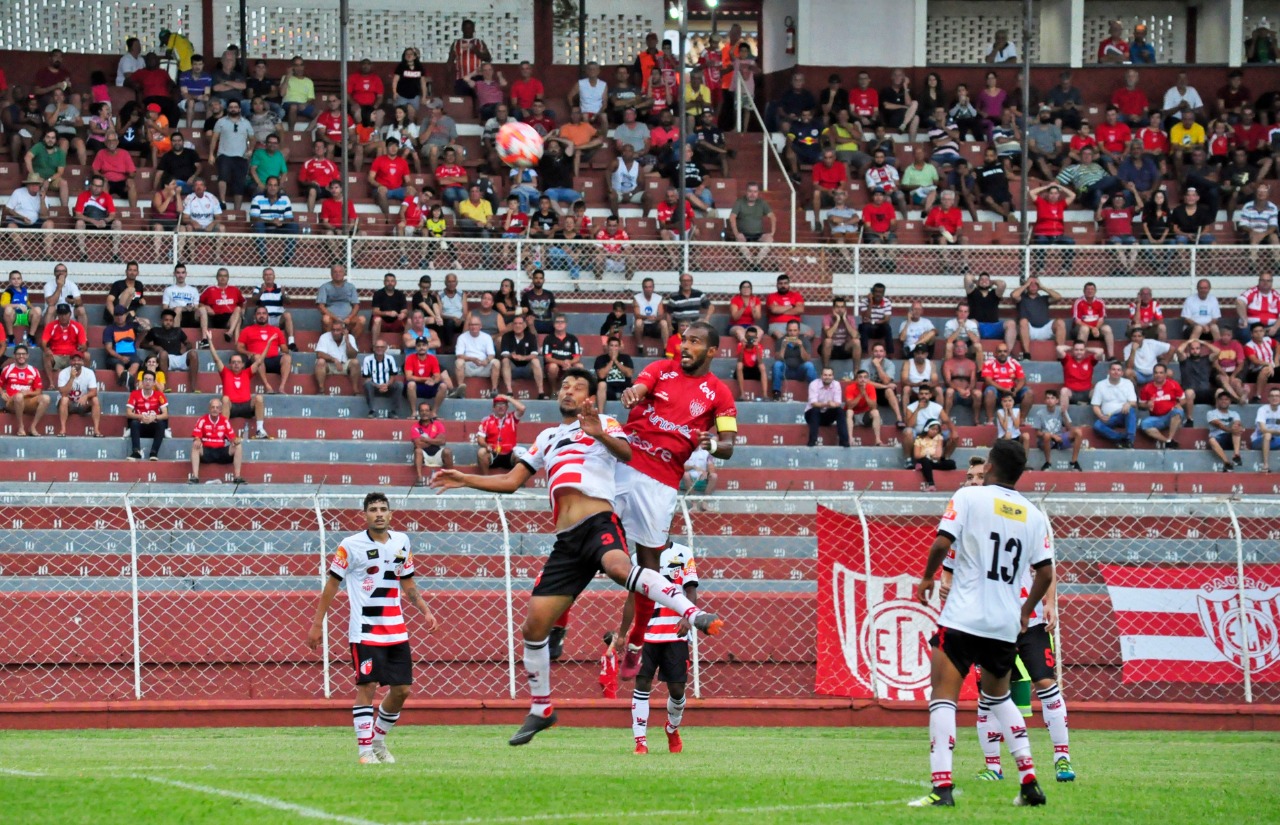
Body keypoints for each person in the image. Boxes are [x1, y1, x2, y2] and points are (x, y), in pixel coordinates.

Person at [433, 366, 723, 745]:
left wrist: (599, 432)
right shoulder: (548, 437)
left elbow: (627, 451)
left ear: (591, 396)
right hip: (566, 541)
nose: (568, 391)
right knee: (533, 627)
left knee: (622, 569)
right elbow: (511, 481)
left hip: (599, 522)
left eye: (577, 386)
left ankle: (692, 612)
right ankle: (541, 709)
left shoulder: (605, 423)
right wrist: (464, 478)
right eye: (565, 386)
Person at [910, 439, 1053, 807]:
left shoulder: (969, 497)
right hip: (1004, 623)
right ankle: (1029, 781)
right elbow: (1046, 573)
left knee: (943, 698)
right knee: (998, 697)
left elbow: (943, 542)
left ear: (989, 465)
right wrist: (1026, 611)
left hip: (963, 616)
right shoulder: (1034, 516)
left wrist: (927, 577)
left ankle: (941, 788)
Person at [306, 492, 439, 762]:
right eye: (373, 509)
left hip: (397, 630)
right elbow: (332, 584)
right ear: (364, 515)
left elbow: (408, 582)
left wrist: (425, 611)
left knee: (402, 690)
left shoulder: (402, 541)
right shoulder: (350, 545)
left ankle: (378, 741)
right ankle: (365, 751)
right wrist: (317, 622)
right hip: (365, 630)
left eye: (383, 509)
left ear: (391, 514)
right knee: (366, 687)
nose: (378, 513)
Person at [206, 337, 271, 439]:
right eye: (234, 362)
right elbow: (216, 359)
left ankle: (260, 430)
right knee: (225, 399)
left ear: (243, 365)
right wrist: (210, 341)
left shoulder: (247, 372)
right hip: (232, 407)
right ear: (230, 364)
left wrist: (269, 344)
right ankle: (225, 431)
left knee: (259, 398)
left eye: (238, 362)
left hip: (246, 406)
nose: (236, 364)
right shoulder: (225, 372)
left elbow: (259, 361)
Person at [236, 305, 292, 395]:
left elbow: (284, 348)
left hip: (273, 360)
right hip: (257, 361)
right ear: (255, 316)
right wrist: (248, 353)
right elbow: (239, 347)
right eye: (259, 314)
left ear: (267, 316)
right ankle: (267, 386)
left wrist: (286, 350)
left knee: (287, 358)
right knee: (258, 356)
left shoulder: (276, 330)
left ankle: (281, 387)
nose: (261, 316)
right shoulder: (247, 330)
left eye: (264, 313)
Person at [189, 398, 245, 485]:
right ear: (209, 409)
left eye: (217, 407)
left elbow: (232, 438)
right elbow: (197, 435)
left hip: (221, 451)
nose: (215, 409)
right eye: (213, 407)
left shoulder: (224, 421)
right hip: (206, 451)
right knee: (195, 445)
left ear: (220, 410)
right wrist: (197, 439)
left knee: (238, 446)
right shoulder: (202, 420)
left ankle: (237, 477)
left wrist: (235, 440)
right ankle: (195, 477)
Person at [208, 98, 251, 211]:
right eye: (231, 107)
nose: (233, 109)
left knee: (239, 184)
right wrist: (211, 155)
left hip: (241, 156)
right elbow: (214, 138)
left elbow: (253, 138)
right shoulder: (220, 121)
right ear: (227, 109)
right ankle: (222, 201)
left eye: (235, 107)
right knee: (223, 177)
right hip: (224, 155)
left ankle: (237, 210)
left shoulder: (246, 123)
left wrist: (250, 149)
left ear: (239, 109)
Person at [1, 345, 49, 436]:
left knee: (46, 398)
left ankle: (32, 427)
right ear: (14, 355)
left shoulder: (34, 370)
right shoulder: (7, 369)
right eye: (18, 354)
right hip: (12, 402)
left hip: (28, 401)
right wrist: (2, 392)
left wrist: (27, 393)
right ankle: (21, 427)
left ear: (27, 356)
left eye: (23, 354)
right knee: (18, 396)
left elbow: (39, 391)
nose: (21, 356)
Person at [248, 176, 298, 265]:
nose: (272, 188)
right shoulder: (257, 198)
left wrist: (281, 222)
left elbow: (290, 218)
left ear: (278, 187)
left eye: (275, 185)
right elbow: (253, 218)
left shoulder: (285, 199)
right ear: (266, 186)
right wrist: (271, 221)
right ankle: (264, 259)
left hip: (280, 226)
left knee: (294, 226)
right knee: (258, 224)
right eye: (270, 185)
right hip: (264, 227)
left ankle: (286, 260)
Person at [1090, 361, 1138, 448]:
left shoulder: (1128, 383)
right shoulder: (1100, 385)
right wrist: (1100, 416)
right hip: (1108, 417)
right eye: (1113, 369)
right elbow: (1095, 406)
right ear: (1109, 372)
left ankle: (1130, 439)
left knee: (1131, 410)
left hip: (1123, 415)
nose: (1116, 372)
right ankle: (1123, 438)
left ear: (1122, 373)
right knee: (1097, 426)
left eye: (1119, 370)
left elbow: (1133, 402)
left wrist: (1128, 404)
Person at [964, 271, 1015, 353]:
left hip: (994, 326)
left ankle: (1007, 353)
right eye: (982, 279)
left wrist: (992, 282)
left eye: (987, 279)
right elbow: (967, 278)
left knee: (1011, 323)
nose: (984, 280)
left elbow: (1002, 284)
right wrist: (976, 281)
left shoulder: (994, 293)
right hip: (978, 326)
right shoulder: (972, 292)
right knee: (972, 322)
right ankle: (975, 353)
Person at [728, 183, 776, 269]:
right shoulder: (739, 202)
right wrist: (736, 233)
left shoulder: (762, 203)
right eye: (750, 191)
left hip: (758, 234)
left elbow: (772, 217)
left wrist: (772, 233)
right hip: (743, 234)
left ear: (758, 193)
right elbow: (732, 217)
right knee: (739, 239)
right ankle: (751, 263)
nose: (752, 194)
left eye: (755, 192)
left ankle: (756, 263)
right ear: (746, 192)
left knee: (770, 239)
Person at [143, 308, 199, 381]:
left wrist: (185, 348)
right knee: (163, 354)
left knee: (193, 353)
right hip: (164, 360)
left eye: (171, 320)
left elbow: (189, 344)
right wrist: (154, 347)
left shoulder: (178, 331)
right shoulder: (155, 331)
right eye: (166, 320)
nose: (168, 322)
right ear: (162, 321)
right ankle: (165, 386)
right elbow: (143, 344)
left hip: (179, 358)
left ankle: (194, 388)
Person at [124, 370, 168, 461]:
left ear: (154, 382)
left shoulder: (159, 395)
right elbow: (128, 413)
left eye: (150, 380)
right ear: (142, 382)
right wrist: (140, 417)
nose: (148, 382)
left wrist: (154, 417)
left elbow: (165, 415)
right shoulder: (134, 394)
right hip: (140, 426)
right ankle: (136, 452)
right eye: (146, 379)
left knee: (161, 424)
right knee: (134, 423)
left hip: (153, 426)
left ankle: (154, 453)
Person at [53, 350, 100, 437]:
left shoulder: (89, 373)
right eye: (74, 360)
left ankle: (96, 430)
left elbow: (94, 391)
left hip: (82, 403)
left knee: (95, 399)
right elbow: (63, 393)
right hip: (68, 404)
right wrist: (71, 378)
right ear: (70, 362)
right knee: (64, 399)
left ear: (82, 362)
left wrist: (86, 396)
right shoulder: (63, 373)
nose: (76, 362)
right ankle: (63, 430)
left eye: (78, 360)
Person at [475, 395, 525, 475]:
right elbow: (480, 439)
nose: (501, 407)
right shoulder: (486, 421)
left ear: (507, 407)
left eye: (503, 404)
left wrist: (508, 398)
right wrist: (486, 445)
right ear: (493, 408)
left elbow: (522, 408)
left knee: (522, 454)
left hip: (509, 454)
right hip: (493, 453)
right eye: (498, 405)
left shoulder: (512, 417)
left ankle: (518, 482)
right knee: (481, 452)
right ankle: (486, 480)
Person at [981, 345, 1030, 426]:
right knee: (990, 391)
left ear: (1008, 353)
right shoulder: (989, 363)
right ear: (995, 353)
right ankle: (990, 420)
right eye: (1000, 351)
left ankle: (1021, 420)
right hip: (997, 392)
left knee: (1029, 392)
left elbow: (1022, 380)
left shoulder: (1014, 362)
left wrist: (1015, 390)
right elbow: (988, 381)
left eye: (1005, 351)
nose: (1002, 353)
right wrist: (1004, 389)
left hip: (1012, 392)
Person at [499, 314, 545, 399]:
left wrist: (523, 357)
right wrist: (512, 355)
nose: (517, 326)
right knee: (505, 360)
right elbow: (504, 353)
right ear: (512, 325)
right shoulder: (506, 336)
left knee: (536, 361)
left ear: (524, 325)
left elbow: (534, 354)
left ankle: (541, 392)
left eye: (520, 323)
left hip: (527, 367)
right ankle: (509, 392)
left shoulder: (530, 336)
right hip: (512, 366)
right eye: (515, 323)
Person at [314, 317, 361, 396]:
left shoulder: (350, 337)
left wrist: (347, 341)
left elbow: (353, 355)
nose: (335, 332)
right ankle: (321, 390)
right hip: (329, 365)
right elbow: (319, 354)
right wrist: (334, 360)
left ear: (343, 330)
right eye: (333, 330)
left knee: (355, 362)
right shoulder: (324, 337)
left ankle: (355, 390)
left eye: (338, 330)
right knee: (320, 362)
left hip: (345, 364)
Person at [770, 320, 818, 399]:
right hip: (786, 371)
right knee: (777, 365)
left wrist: (801, 346)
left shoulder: (804, 340)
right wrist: (783, 346)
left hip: (800, 371)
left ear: (799, 331)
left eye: (795, 331)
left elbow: (807, 359)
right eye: (790, 330)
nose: (792, 333)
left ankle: (815, 393)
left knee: (809, 365)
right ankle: (776, 392)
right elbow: (778, 358)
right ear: (787, 331)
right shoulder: (781, 340)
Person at [317, 264, 367, 339]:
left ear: (344, 274)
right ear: (331, 274)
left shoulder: (351, 287)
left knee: (362, 319)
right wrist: (335, 318)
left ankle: (351, 343)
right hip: (332, 319)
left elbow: (356, 306)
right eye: (335, 272)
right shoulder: (324, 287)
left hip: (348, 319)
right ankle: (330, 344)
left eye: (340, 272)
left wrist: (349, 318)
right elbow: (321, 306)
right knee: (326, 319)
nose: (338, 274)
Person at [198, 267, 245, 345]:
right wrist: (207, 307)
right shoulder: (210, 289)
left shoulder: (234, 289)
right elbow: (200, 303)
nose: (223, 278)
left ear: (228, 278)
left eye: (225, 276)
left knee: (238, 310)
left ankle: (229, 333)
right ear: (217, 277)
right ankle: (204, 339)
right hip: (215, 317)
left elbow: (242, 303)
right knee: (202, 309)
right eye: (220, 276)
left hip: (229, 319)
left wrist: (243, 311)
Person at [804, 367, 850, 448]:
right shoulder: (814, 384)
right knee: (815, 410)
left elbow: (838, 403)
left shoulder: (836, 384)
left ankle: (844, 441)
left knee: (840, 411)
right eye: (825, 375)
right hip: (811, 415)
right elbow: (814, 403)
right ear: (821, 376)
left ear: (833, 376)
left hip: (827, 415)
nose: (827, 377)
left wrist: (833, 405)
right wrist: (827, 404)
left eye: (829, 375)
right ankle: (812, 441)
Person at [411, 403, 454, 486]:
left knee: (447, 451)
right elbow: (418, 445)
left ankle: (451, 477)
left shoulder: (438, 424)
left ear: (430, 412)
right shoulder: (414, 427)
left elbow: (442, 441)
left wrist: (426, 440)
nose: (424, 413)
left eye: (427, 410)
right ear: (419, 413)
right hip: (424, 456)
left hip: (437, 454)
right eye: (422, 411)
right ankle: (419, 479)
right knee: (418, 451)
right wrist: (434, 440)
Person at [1204, 391, 1244, 472]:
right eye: (1221, 399)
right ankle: (1227, 463)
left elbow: (1238, 423)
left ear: (1230, 401)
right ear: (1217, 401)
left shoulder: (1234, 413)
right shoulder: (1211, 413)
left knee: (1236, 430)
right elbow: (1219, 425)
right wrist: (1230, 429)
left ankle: (1236, 455)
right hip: (1218, 439)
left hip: (1231, 438)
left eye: (1226, 399)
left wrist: (1235, 428)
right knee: (1211, 439)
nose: (1224, 401)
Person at [1070, 281, 1115, 354]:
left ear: (1095, 291)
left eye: (1092, 289)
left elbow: (1101, 319)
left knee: (1107, 329)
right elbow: (1077, 321)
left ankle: (1111, 356)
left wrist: (1096, 328)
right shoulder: (1078, 302)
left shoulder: (1100, 302)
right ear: (1084, 291)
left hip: (1096, 329)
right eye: (1088, 289)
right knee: (1085, 329)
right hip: (1080, 329)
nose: (1090, 291)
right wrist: (1092, 328)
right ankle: (1080, 355)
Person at [362, 341, 403, 418]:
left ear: (385, 348)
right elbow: (367, 378)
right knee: (367, 384)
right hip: (374, 386)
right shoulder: (367, 359)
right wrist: (378, 386)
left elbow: (393, 376)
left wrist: (386, 385)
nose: (379, 349)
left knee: (399, 385)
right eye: (377, 347)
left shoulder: (390, 359)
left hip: (387, 386)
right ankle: (372, 411)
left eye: (382, 347)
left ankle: (393, 411)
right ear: (374, 348)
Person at [593, 336, 634, 411]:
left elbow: (629, 374)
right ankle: (601, 414)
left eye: (616, 346)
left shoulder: (626, 358)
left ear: (619, 347)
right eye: (611, 345)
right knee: (601, 384)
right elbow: (601, 375)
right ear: (608, 347)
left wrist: (616, 361)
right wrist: (612, 361)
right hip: (608, 388)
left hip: (624, 387)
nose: (613, 348)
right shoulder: (600, 359)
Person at [844, 369, 883, 446]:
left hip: (865, 415)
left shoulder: (871, 387)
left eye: (865, 377)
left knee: (875, 412)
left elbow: (874, 406)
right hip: (853, 415)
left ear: (868, 379)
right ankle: (850, 439)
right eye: (860, 377)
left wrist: (865, 395)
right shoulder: (850, 388)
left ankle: (878, 440)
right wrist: (860, 395)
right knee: (849, 411)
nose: (863, 379)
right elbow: (850, 406)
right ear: (856, 379)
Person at [1244, 323, 1279, 404]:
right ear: (1252, 334)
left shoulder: (1268, 340)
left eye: (1261, 331)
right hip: (1255, 372)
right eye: (1256, 332)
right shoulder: (1249, 346)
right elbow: (1255, 361)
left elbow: (1277, 345)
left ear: (1264, 332)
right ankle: (1257, 396)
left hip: (1272, 369)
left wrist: (1276, 360)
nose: (1259, 333)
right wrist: (1268, 364)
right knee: (1265, 369)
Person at [735, 326, 770, 401]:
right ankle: (742, 394)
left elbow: (760, 362)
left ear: (756, 337)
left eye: (753, 337)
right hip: (744, 370)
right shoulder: (741, 345)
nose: (750, 339)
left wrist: (756, 348)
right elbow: (740, 361)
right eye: (749, 337)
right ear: (745, 336)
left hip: (754, 370)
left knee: (762, 367)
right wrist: (743, 348)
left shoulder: (758, 346)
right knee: (739, 365)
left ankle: (765, 395)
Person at [1252, 388, 1280, 472]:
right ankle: (1266, 465)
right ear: (1268, 398)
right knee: (1267, 434)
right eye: (1272, 396)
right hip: (1259, 440)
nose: (1274, 398)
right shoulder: (1262, 409)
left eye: (1277, 396)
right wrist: (1278, 432)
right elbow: (1263, 429)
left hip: (1276, 440)